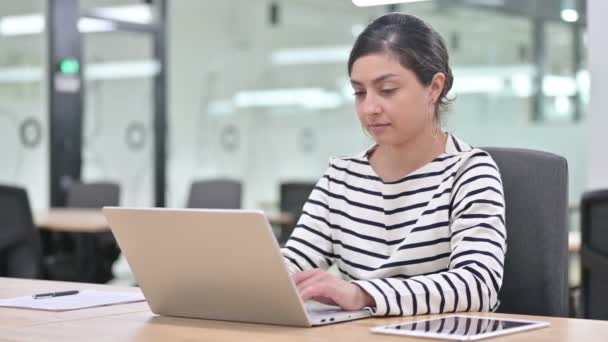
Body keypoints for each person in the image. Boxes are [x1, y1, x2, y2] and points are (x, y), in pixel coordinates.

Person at [280, 13, 506, 317]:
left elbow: (478, 285)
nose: (369, 108)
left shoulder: (470, 172)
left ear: (434, 88)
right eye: (360, 92)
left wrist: (363, 293)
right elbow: (292, 264)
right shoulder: (342, 178)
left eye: (387, 90)